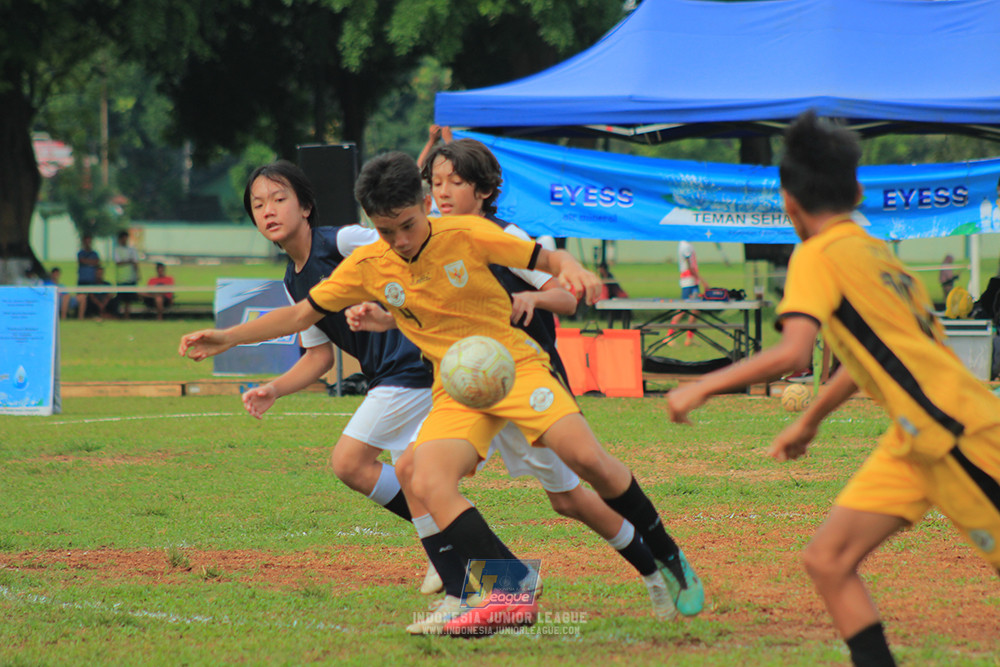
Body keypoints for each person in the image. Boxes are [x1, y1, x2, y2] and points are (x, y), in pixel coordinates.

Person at [180, 151, 703, 637]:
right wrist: (226, 336)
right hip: (457, 388)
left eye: (408, 225)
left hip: (514, 368)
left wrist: (572, 268)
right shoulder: (367, 263)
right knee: (422, 478)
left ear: (424, 204)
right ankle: (508, 590)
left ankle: (666, 554)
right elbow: (299, 315)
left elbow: (548, 260)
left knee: (586, 462)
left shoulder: (467, 233)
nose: (400, 240)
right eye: (386, 231)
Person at [667, 110, 1000, 667]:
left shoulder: (817, 253)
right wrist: (810, 419)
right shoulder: (876, 251)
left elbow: (794, 353)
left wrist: (702, 386)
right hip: (913, 439)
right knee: (828, 559)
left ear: (788, 202)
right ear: (858, 191)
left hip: (958, 435)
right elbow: (867, 359)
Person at [407, 137, 676, 623]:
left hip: (524, 381)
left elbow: (566, 297)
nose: (442, 192)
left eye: (455, 182)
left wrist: (533, 299)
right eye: (436, 182)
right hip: (470, 390)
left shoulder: (507, 236)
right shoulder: (432, 239)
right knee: (416, 472)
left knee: (569, 499)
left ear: (484, 190)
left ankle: (655, 572)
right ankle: (462, 585)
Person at [666, 240, 707, 346]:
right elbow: (690, 266)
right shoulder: (685, 245)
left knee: (695, 310)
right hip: (688, 281)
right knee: (682, 309)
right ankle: (669, 336)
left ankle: (689, 338)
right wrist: (703, 281)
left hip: (693, 281)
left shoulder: (688, 244)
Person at [113, 230, 140, 318]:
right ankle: (118, 315)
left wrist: (137, 274)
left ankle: (127, 316)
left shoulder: (132, 250)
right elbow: (118, 262)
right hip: (121, 278)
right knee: (120, 298)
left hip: (130, 278)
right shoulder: (117, 250)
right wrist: (129, 261)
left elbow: (135, 262)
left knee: (128, 300)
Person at [75, 234, 100, 319]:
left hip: (91, 280)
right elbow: (82, 260)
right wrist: (91, 262)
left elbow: (96, 262)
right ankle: (80, 315)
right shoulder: (80, 253)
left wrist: (87, 262)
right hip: (82, 280)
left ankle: (90, 315)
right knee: (81, 298)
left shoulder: (94, 253)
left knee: (91, 299)